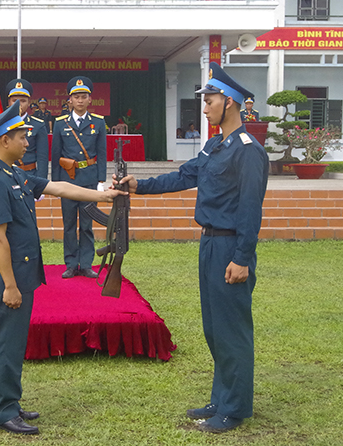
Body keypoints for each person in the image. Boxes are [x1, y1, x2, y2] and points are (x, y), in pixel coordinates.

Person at [118, 63, 268, 434]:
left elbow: (251, 209)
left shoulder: (248, 151)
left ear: (229, 103)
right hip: (209, 243)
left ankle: (234, 409)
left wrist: (242, 258)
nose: (204, 107)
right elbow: (185, 176)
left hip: (230, 244)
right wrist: (139, 185)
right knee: (215, 329)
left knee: (232, 329)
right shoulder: (216, 145)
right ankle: (221, 397)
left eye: (210, 100)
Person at [0, 100, 124, 436]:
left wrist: (101, 196)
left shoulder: (14, 172)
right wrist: (10, 286)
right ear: (4, 141)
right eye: (21, 138)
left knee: (14, 344)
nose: (28, 143)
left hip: (23, 274)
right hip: (9, 279)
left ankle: (10, 403)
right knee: (6, 345)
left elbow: (57, 187)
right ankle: (1, 411)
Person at [51, 76, 107, 279]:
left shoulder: (98, 123)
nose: (80, 100)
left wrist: (101, 180)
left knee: (87, 225)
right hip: (67, 180)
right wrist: (55, 183)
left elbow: (102, 152)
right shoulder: (60, 123)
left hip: (89, 180)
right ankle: (70, 264)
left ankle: (86, 264)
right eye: (76, 97)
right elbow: (55, 154)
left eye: (84, 97)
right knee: (68, 225)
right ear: (70, 100)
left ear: (89, 99)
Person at [5, 78, 49, 179]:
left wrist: (41, 184)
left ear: (29, 103)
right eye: (14, 101)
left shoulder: (38, 125)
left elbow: (42, 158)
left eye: (23, 101)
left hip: (29, 175)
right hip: (6, 176)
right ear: (9, 102)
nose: (18, 104)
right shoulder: (1, 124)